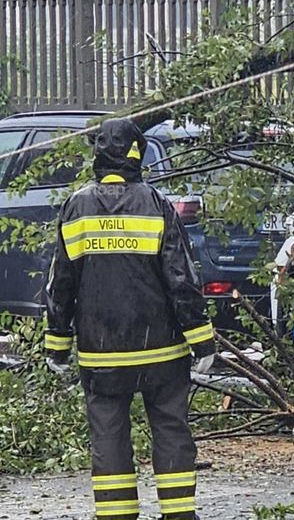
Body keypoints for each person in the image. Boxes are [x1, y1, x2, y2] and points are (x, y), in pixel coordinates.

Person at [44, 117, 216, 520]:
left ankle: (117, 515)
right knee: (171, 429)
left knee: (108, 437)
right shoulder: (156, 204)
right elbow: (181, 278)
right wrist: (203, 342)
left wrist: (57, 344)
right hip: (161, 353)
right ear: (137, 155)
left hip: (101, 356)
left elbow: (60, 283)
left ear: (98, 156)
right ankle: (179, 514)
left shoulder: (76, 206)